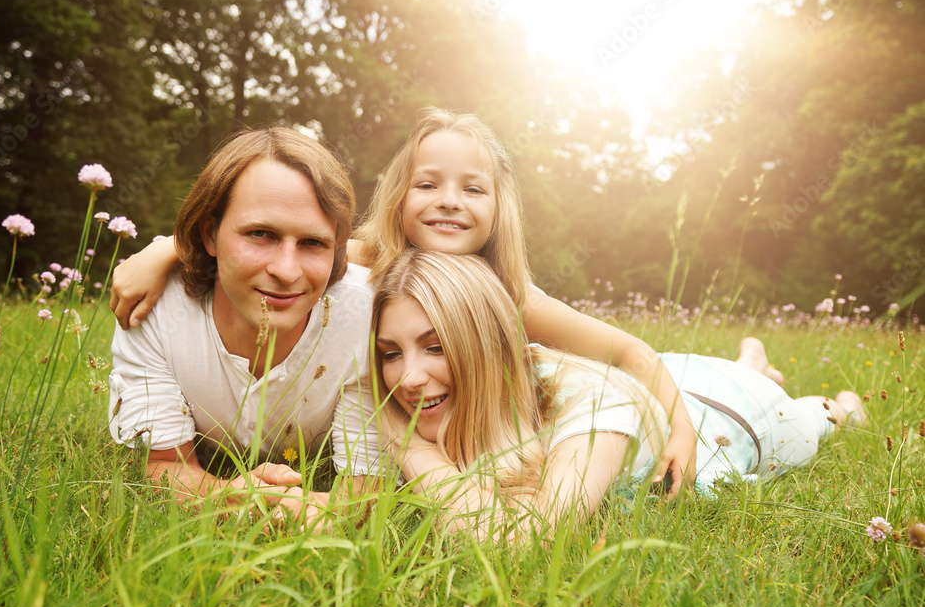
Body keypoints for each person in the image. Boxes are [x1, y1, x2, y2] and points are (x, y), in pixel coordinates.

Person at [110, 108, 700, 498]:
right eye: (428, 184)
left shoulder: (513, 295)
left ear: (499, 207)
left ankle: (747, 370)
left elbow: (629, 351)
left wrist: (684, 431)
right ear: (399, 195)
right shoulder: (368, 260)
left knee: (701, 381)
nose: (449, 203)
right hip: (446, 436)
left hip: (537, 410)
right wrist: (162, 251)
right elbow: (256, 238)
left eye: (473, 188)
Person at [372, 249, 865, 537]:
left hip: (730, 416)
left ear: (487, 343)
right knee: (731, 374)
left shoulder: (591, 403)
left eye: (435, 347)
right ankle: (750, 360)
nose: (408, 378)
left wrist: (408, 443)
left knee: (808, 421)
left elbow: (524, 538)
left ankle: (812, 395)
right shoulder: (458, 395)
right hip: (667, 384)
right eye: (390, 353)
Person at [107, 127, 384, 522]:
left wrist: (316, 509)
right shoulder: (154, 308)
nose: (287, 272)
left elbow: (364, 488)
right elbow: (165, 466)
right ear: (210, 235)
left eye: (312, 243)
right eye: (260, 234)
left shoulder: (369, 317)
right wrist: (229, 495)